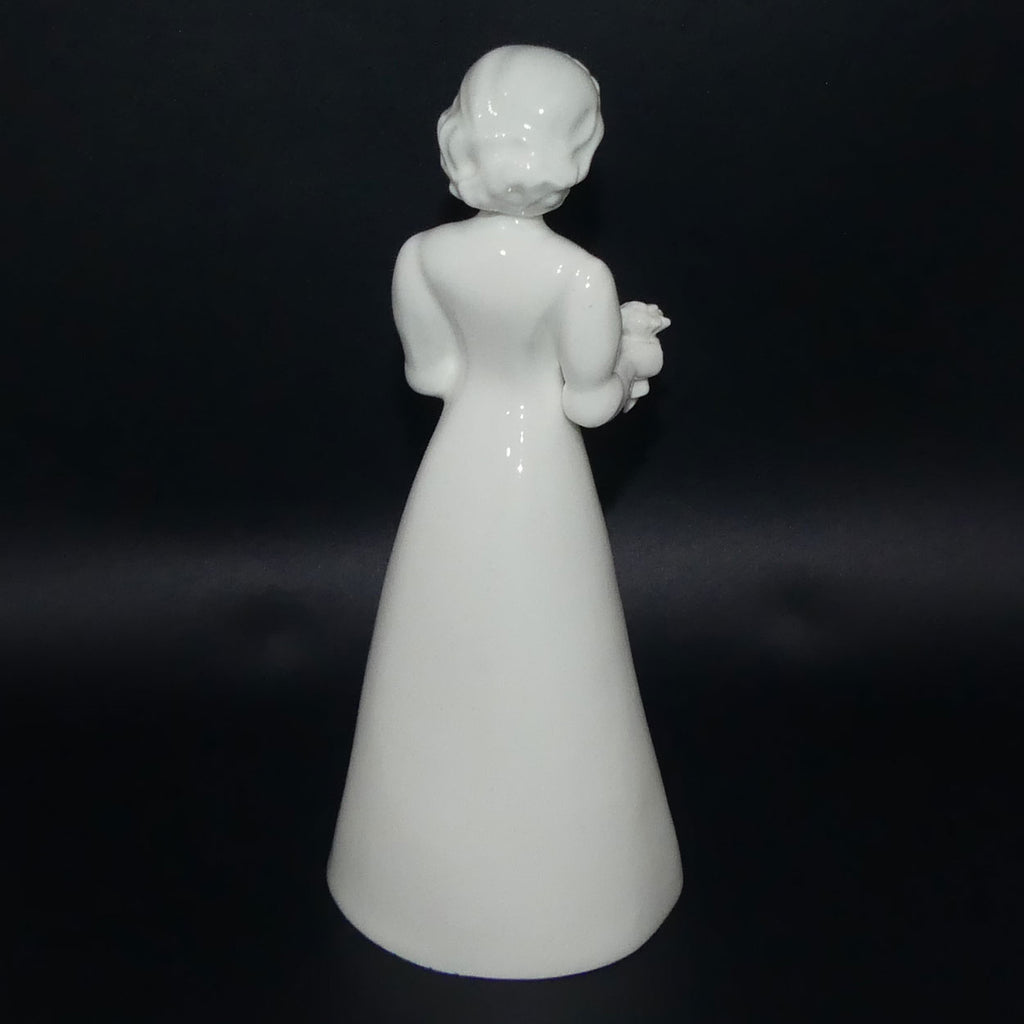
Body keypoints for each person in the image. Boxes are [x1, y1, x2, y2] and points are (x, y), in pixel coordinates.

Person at [328, 45, 681, 979]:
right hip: (541, 485)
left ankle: (406, 879)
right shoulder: (580, 277)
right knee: (552, 653)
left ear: (460, 138)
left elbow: (431, 375)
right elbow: (590, 404)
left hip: (457, 474)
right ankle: (572, 890)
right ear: (580, 152)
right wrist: (637, 357)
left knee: (440, 651)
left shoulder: (421, 257)